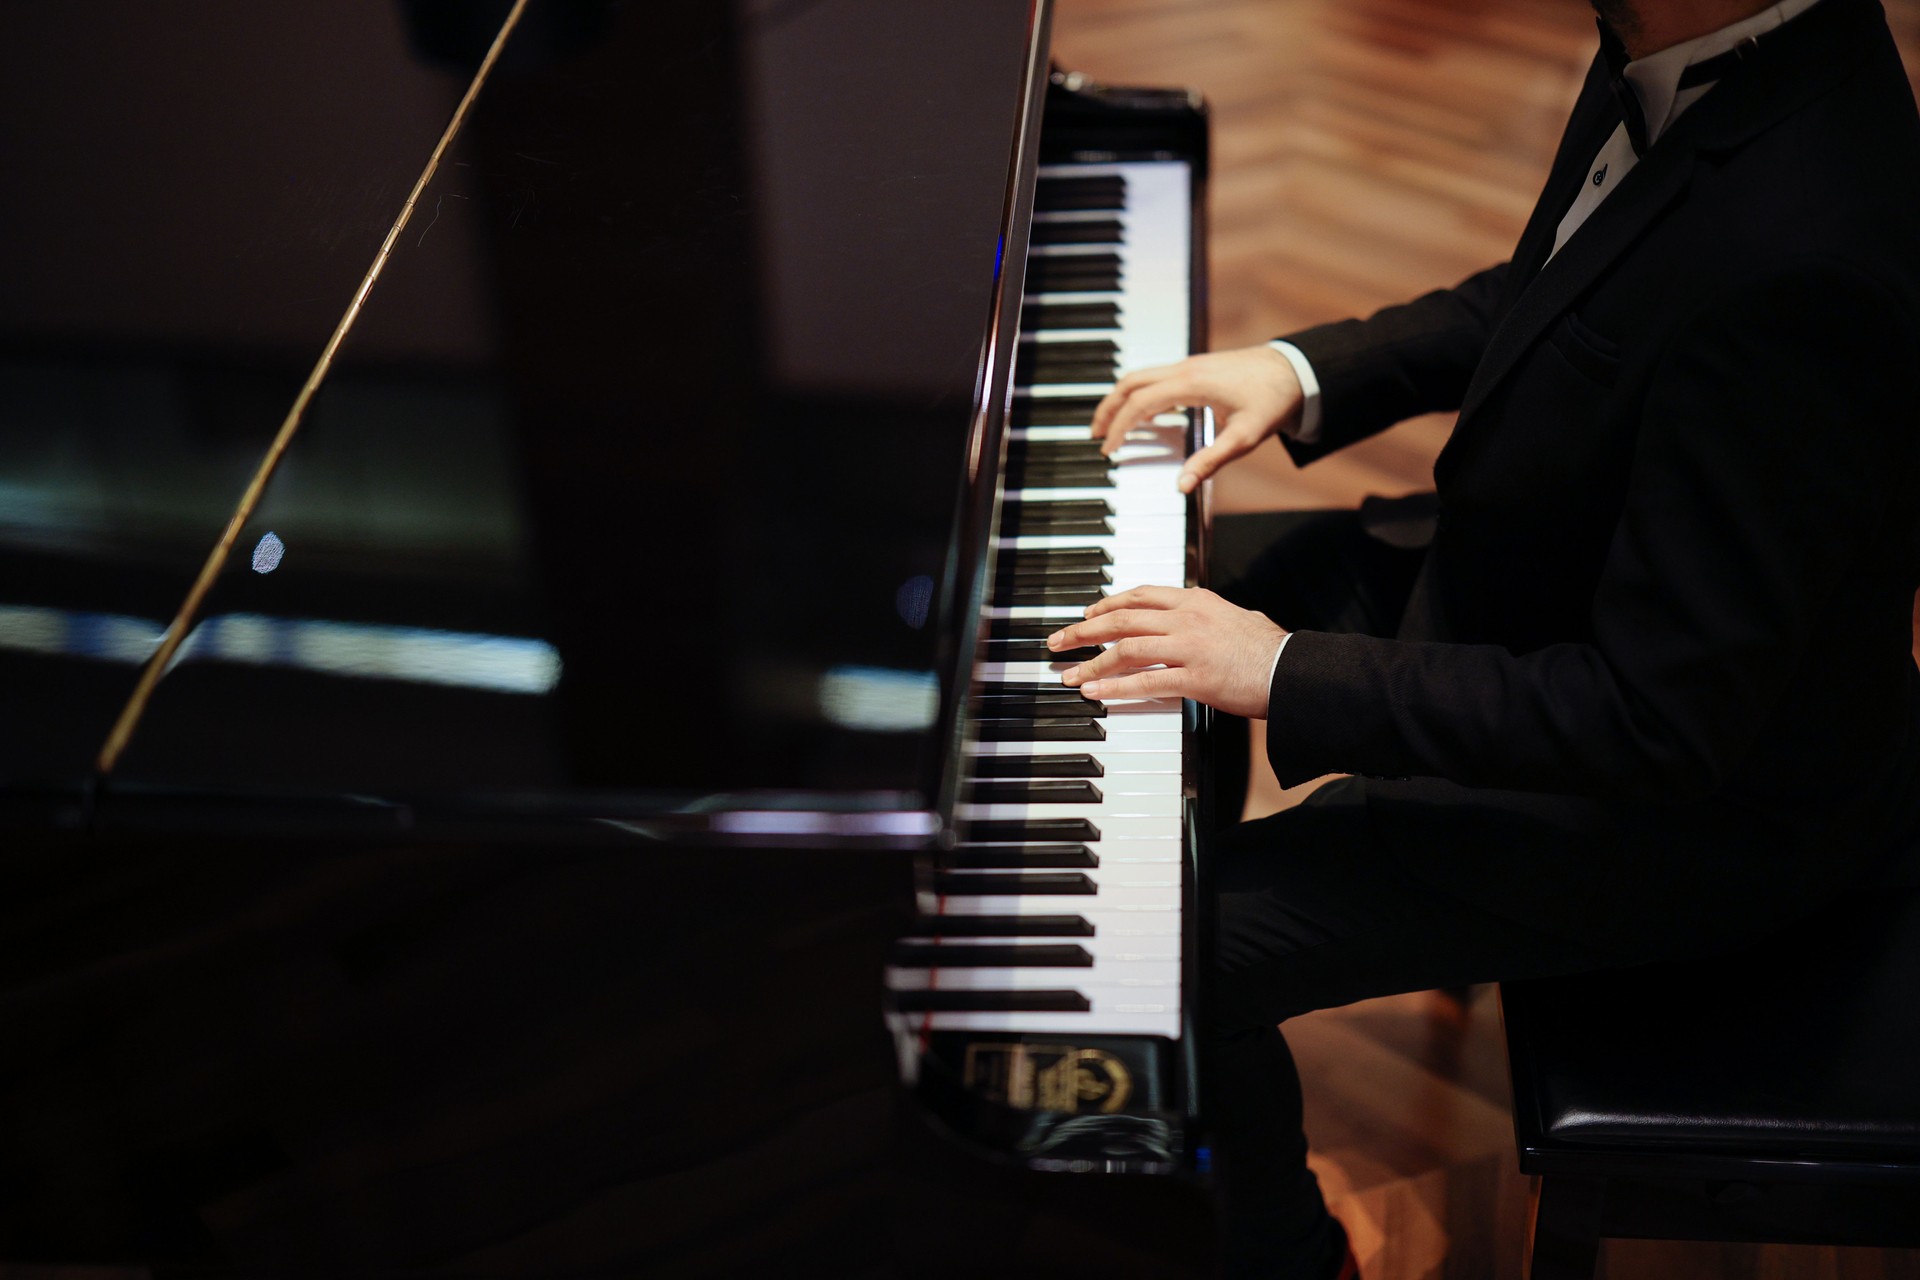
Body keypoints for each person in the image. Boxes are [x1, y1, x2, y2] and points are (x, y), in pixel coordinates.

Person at [1043, 0, 1920, 1274]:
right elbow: (1565, 284)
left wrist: (1279, 669)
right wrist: (1307, 366)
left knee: (1167, 957)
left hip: (1682, 816)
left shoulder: (1809, 255)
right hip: (1535, 603)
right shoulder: (1685, 46)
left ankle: (1286, 1256)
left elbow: (1658, 721)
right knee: (1166, 606)